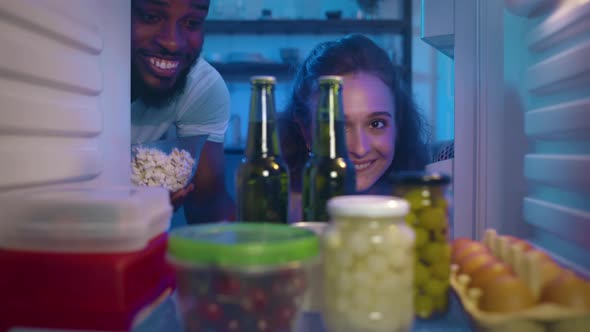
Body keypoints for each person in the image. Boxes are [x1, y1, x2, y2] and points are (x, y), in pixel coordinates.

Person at [280, 34, 430, 220]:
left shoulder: (423, 210)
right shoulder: (278, 215)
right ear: (305, 130)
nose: (360, 149)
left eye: (376, 124)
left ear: (398, 124)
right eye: (340, 127)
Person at [131, 0, 235, 223]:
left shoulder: (202, 87)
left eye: (191, 22)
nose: (172, 43)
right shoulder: (69, 72)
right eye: (151, 17)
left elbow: (207, 201)